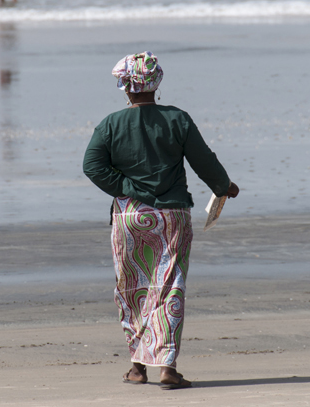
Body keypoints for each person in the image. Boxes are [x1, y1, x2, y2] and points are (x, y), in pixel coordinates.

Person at [83, 51, 240, 389]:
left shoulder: (110, 124)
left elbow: (92, 166)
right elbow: (204, 161)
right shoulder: (177, 119)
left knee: (133, 288)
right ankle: (168, 368)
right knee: (169, 287)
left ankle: (138, 367)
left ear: (126, 86)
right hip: (171, 216)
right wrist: (223, 186)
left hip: (130, 217)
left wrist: (126, 187)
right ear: (156, 84)